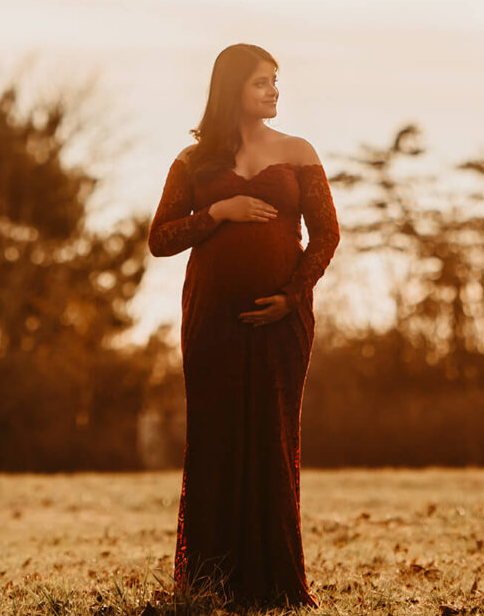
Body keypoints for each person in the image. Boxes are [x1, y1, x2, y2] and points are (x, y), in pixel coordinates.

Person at [147, 42, 341, 610]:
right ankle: (211, 583)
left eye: (276, 80)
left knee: (272, 441)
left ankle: (277, 583)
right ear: (232, 88)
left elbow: (327, 234)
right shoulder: (192, 163)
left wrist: (291, 296)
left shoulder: (299, 152)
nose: (274, 90)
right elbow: (161, 239)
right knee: (215, 441)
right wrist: (216, 214)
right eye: (261, 81)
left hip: (283, 322)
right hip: (211, 320)